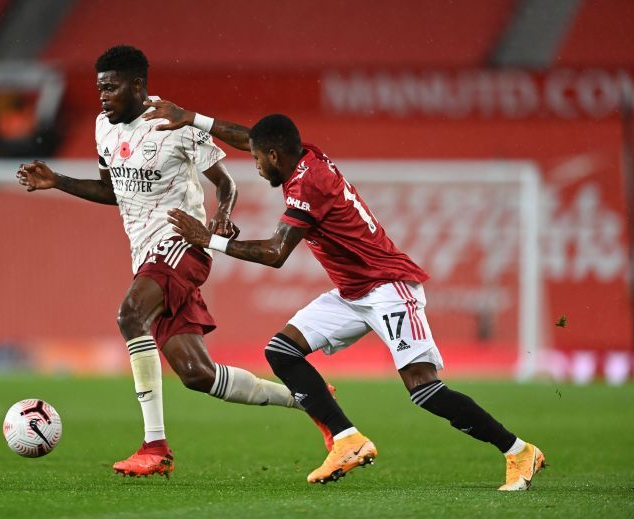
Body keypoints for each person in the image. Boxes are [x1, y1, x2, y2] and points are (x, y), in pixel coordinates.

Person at [146, 100, 547, 490]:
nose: (253, 163)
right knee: (281, 351)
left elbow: (275, 254)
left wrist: (208, 240)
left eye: (255, 158)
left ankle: (518, 450)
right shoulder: (303, 157)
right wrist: (193, 119)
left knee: (423, 388)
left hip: (389, 287)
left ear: (273, 155)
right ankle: (347, 440)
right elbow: (251, 136)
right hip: (354, 293)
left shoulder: (308, 184)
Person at [15, 45, 325, 478]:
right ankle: (310, 398)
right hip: (145, 254)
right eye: (99, 88)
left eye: (111, 87)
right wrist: (58, 181)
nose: (103, 96)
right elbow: (113, 191)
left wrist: (220, 214)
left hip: (183, 245)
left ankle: (154, 446)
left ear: (137, 85)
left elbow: (227, 182)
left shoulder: (175, 125)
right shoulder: (104, 127)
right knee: (198, 375)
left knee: (129, 315)